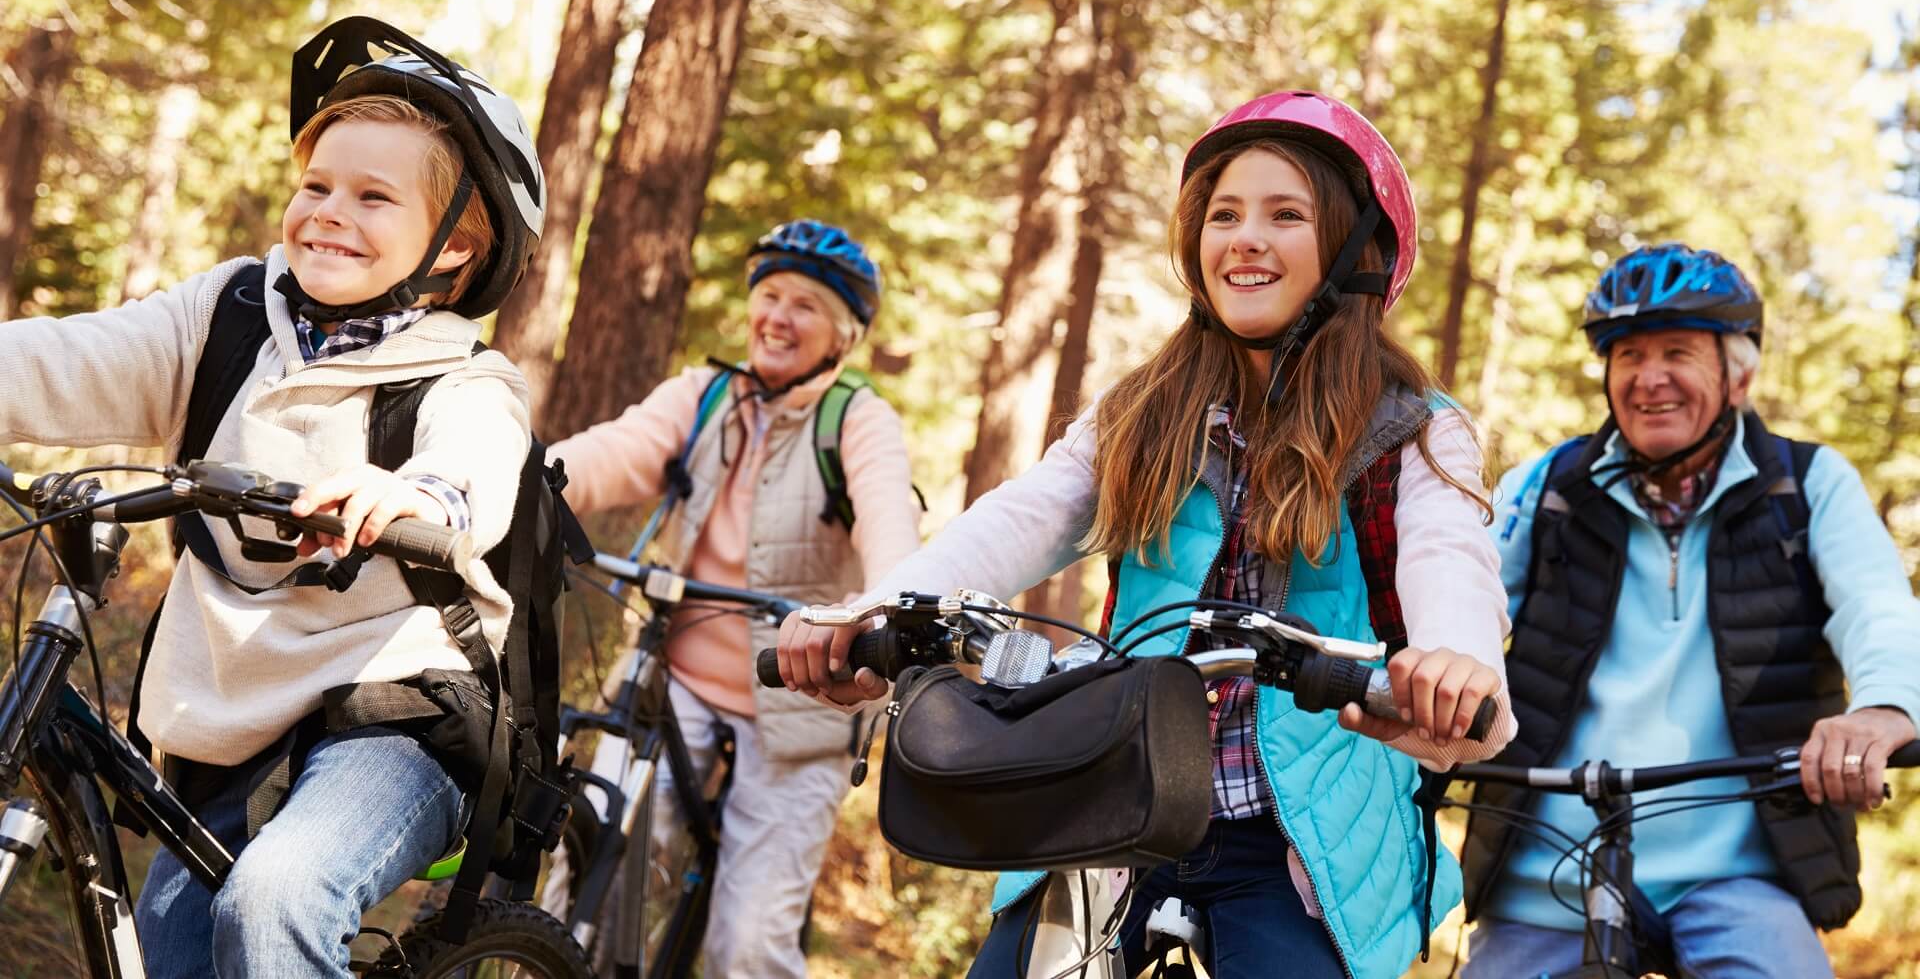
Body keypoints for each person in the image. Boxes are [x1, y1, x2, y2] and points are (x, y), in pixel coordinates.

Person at [778, 91, 1519, 979]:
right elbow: (1027, 515)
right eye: (1224, 213)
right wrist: (873, 610)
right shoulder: (1144, 408)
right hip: (1116, 791)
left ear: (1354, 253)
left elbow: (1450, 558)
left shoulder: (1413, 426)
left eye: (1286, 214)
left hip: (1292, 841)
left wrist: (1457, 661)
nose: (1245, 236)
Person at [0, 16, 546, 977]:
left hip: (398, 712)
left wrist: (408, 494)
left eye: (375, 196)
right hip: (233, 721)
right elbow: (71, 358)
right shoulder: (229, 315)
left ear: (456, 249)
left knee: (277, 895)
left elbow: (474, 470)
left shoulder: (465, 375)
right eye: (316, 186)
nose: (329, 210)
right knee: (172, 959)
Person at [1460, 242, 1920, 978]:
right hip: (1547, 870)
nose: (1650, 378)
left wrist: (1883, 709)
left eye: (1679, 350)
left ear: (1738, 374)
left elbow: (1879, 607)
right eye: (1628, 353)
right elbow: (1458, 602)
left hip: (1738, 871)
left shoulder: (1807, 486)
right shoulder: (1546, 485)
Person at [547, 217, 920, 979]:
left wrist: (886, 606)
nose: (779, 317)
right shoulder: (705, 393)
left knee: (746, 947)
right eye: (771, 295)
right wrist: (527, 483)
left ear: (842, 336)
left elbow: (889, 515)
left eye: (806, 305)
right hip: (671, 681)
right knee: (581, 865)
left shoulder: (857, 418)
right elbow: (616, 450)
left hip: (801, 706)